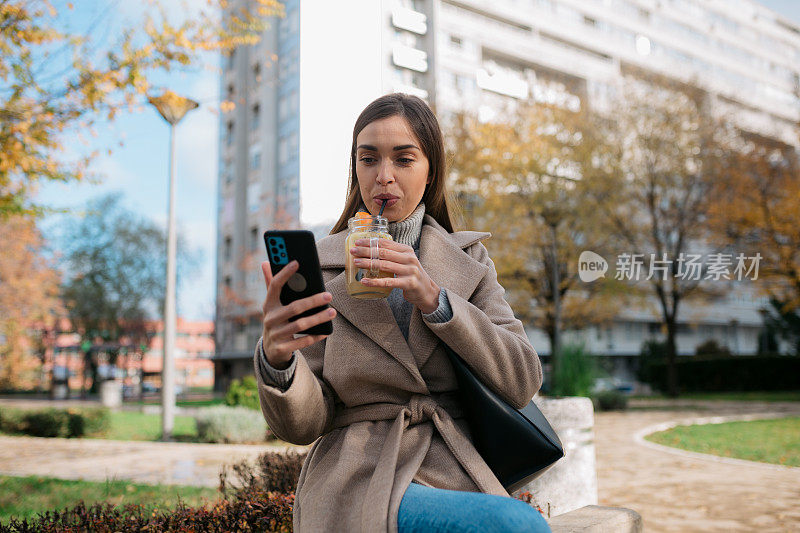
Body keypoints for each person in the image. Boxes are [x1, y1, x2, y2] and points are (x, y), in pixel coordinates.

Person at [254, 93, 549, 533]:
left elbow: (523, 379)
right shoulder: (317, 266)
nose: (384, 176)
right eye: (368, 159)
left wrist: (436, 300)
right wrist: (279, 364)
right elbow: (306, 423)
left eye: (404, 159)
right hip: (358, 475)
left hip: (455, 465)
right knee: (514, 526)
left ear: (430, 172)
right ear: (355, 168)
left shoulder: (470, 260)